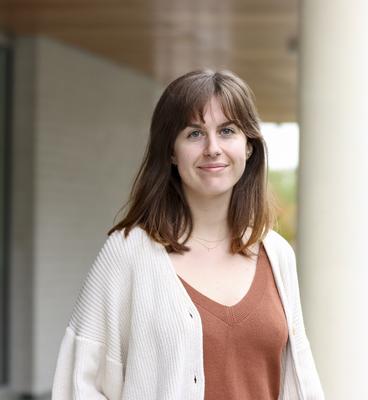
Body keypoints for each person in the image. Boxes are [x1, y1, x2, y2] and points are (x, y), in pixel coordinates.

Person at [51, 70, 324, 399]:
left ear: (248, 146)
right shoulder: (128, 253)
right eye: (195, 134)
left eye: (227, 131)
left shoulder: (276, 254)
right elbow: (80, 384)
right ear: (170, 151)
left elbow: (299, 383)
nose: (213, 148)